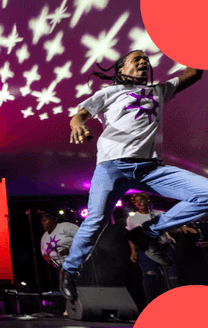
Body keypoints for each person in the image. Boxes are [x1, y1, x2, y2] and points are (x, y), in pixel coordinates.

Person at [60, 50, 204, 302]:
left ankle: (147, 233)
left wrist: (197, 46)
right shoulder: (109, 93)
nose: (143, 62)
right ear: (120, 70)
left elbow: (193, 74)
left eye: (145, 60)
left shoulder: (159, 90)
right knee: (96, 220)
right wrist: (77, 125)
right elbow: (80, 114)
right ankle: (69, 271)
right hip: (112, 167)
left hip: (150, 169)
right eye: (136, 59)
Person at [126, 192, 196, 304]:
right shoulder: (133, 219)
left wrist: (183, 228)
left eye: (142, 199)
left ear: (147, 200)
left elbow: (173, 227)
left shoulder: (158, 214)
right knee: (150, 275)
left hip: (164, 246)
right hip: (147, 249)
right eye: (137, 200)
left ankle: (179, 302)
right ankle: (151, 303)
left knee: (173, 275)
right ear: (135, 203)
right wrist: (133, 251)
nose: (140, 202)